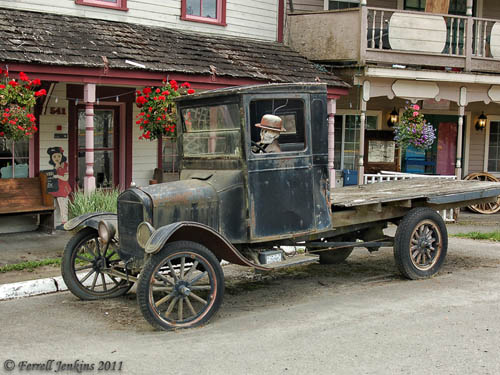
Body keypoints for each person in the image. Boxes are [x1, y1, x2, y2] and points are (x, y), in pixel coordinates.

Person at [47, 146, 71, 226]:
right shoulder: (56, 166)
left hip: (63, 189)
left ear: (62, 156)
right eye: (54, 156)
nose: (56, 158)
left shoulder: (64, 165)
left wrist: (57, 176)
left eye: (59, 156)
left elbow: (65, 178)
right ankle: (59, 223)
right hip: (56, 189)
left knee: (63, 206)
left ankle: (65, 223)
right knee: (57, 207)